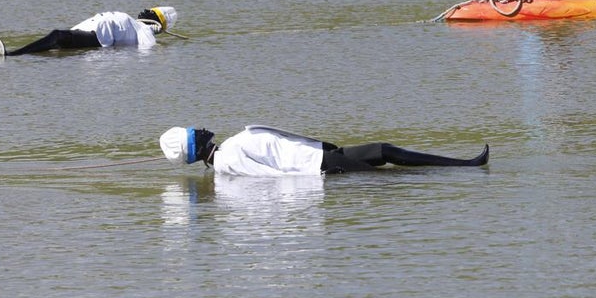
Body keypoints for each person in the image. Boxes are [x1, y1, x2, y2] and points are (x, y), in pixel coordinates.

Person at [159, 125, 490, 176]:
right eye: (195, 132)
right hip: (318, 167)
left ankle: (464, 165)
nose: (201, 128)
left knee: (383, 149)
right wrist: (322, 174)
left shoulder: (231, 146)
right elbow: (269, 177)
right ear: (195, 144)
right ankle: (461, 169)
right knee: (384, 180)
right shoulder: (228, 160)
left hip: (321, 154)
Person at [0, 6, 178, 57]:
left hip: (99, 39)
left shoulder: (144, 31)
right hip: (91, 29)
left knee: (57, 37)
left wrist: (152, 34)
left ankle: (14, 54)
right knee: (58, 40)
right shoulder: (135, 23)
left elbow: (148, 49)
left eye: (150, 14)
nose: (144, 13)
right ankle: (23, 53)